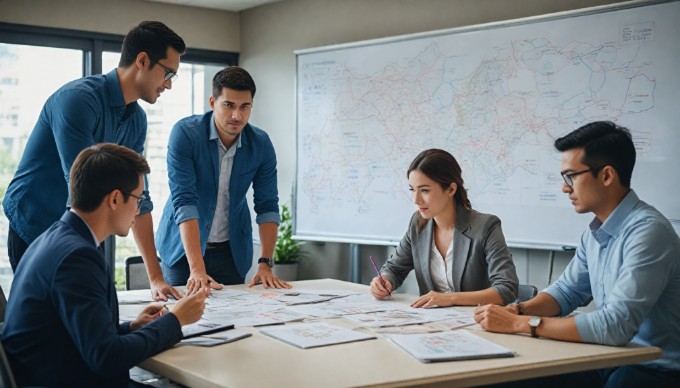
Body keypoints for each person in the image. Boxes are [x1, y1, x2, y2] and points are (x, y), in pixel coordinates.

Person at [474, 121, 680, 387]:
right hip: (606, 357)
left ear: (607, 176)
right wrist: (518, 310)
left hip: (654, 369)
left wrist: (520, 324)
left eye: (571, 176)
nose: (564, 188)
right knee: (504, 378)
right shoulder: (594, 232)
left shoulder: (649, 233)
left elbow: (615, 326)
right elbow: (567, 293)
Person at [2, 21, 184, 301]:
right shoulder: (78, 100)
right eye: (168, 73)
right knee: (53, 326)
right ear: (143, 60)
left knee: (90, 314)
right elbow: (83, 191)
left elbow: (139, 199)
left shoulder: (137, 120)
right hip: (35, 223)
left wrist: (156, 278)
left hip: (83, 224)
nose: (169, 85)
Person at [1, 144, 207, 387]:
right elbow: (107, 358)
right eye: (138, 199)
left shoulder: (54, 238)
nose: (139, 209)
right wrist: (175, 320)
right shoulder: (77, 257)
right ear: (115, 198)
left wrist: (132, 327)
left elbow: (77, 336)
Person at [155, 66, 291, 294]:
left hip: (232, 253)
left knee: (234, 321)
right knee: (184, 320)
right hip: (182, 253)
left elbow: (267, 205)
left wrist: (265, 263)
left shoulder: (261, 144)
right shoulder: (185, 134)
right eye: (228, 105)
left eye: (244, 107)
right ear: (212, 102)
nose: (237, 115)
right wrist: (197, 269)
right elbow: (184, 201)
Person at [370, 149, 518, 307]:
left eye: (425, 190)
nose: (416, 199)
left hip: (476, 321)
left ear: (451, 189)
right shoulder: (418, 223)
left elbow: (507, 288)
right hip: (433, 323)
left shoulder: (485, 226)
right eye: (412, 190)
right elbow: (395, 269)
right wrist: (384, 280)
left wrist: (450, 298)